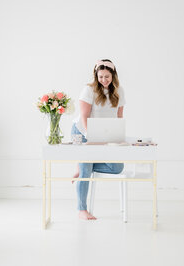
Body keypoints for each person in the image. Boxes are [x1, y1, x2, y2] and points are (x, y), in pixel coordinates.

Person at [71, 59, 125, 220]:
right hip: (83, 131)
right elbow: (84, 116)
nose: (103, 80)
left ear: (113, 75)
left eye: (107, 76)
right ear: (96, 75)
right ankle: (82, 210)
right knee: (86, 172)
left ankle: (83, 166)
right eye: (100, 76)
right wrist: (91, 137)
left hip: (104, 132)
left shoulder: (119, 91)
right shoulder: (89, 90)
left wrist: (118, 137)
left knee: (117, 167)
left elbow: (119, 117)